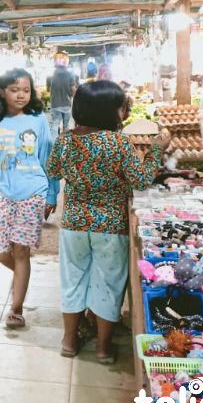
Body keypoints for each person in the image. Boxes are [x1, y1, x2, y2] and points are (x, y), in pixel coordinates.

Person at [46, 81, 169, 363]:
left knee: (72, 280)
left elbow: (52, 169)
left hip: (75, 223)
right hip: (110, 226)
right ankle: (102, 348)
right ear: (108, 111)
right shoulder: (118, 142)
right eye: (120, 107)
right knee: (108, 283)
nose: (123, 112)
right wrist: (156, 152)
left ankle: (68, 342)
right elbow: (140, 179)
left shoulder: (65, 139)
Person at [0, 68, 59, 329]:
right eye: (14, 90)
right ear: (2, 92)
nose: (21, 95)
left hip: (34, 191)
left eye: (26, 90)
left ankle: (17, 308)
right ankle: (22, 275)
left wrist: (51, 192)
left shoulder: (38, 120)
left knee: (21, 251)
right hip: (1, 192)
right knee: (2, 252)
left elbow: (49, 157)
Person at [46, 53, 78, 137]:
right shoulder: (70, 74)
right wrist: (76, 101)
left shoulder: (51, 75)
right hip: (66, 104)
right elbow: (73, 89)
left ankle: (53, 145)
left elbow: (48, 89)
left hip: (55, 104)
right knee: (66, 126)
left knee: (54, 126)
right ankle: (65, 144)